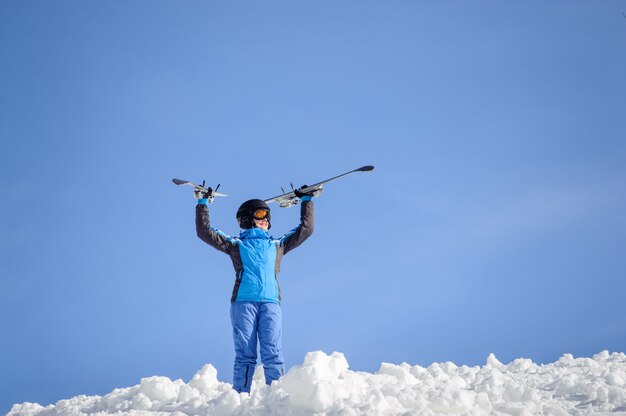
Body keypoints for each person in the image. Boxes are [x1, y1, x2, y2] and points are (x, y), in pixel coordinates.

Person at [194, 186, 315, 393]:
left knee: (273, 352)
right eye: (261, 214)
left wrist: (306, 201)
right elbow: (204, 232)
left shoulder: (278, 245)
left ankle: (276, 397)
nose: (266, 219)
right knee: (245, 354)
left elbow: (306, 229)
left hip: (271, 303)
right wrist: (203, 203)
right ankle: (240, 398)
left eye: (268, 216)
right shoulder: (236, 244)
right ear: (247, 219)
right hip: (244, 303)